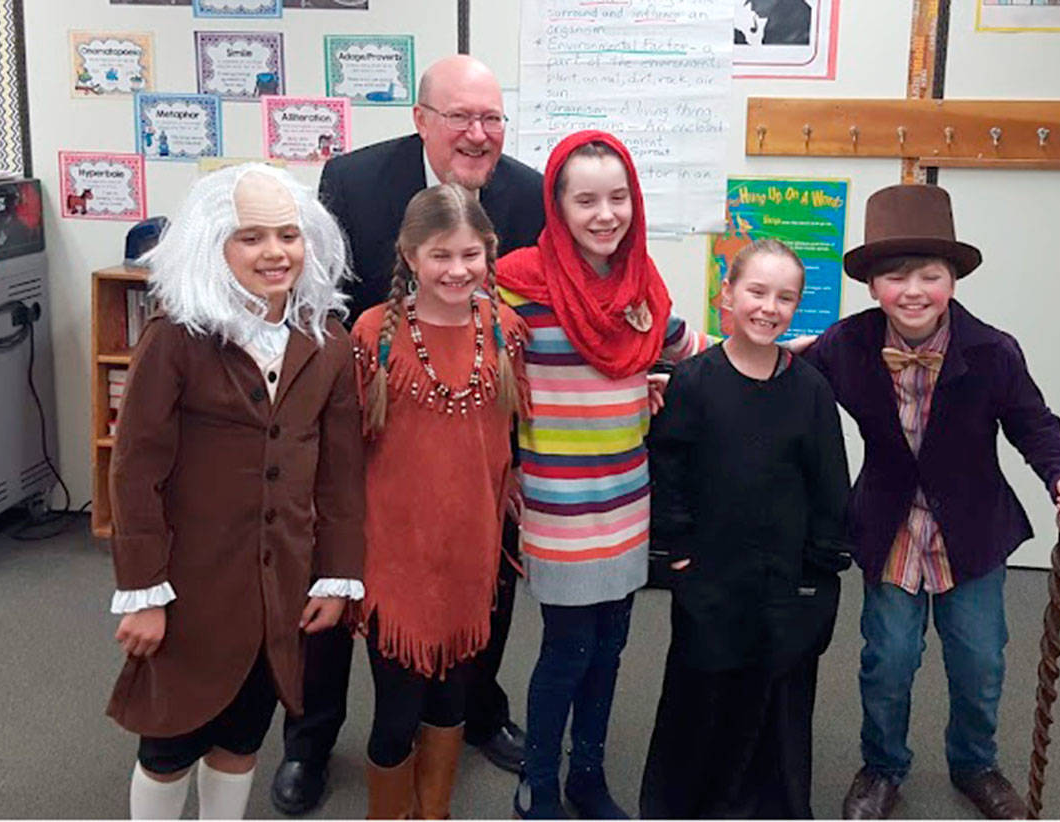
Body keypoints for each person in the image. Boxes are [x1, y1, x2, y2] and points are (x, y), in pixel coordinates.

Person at [272, 55, 544, 814]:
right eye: (460, 117)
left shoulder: (527, 193)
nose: (478, 134)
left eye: (491, 118)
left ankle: (478, 711)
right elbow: (318, 305)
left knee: (479, 593)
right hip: (375, 434)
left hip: (473, 451)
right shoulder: (354, 182)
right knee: (340, 591)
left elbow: (547, 307)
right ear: (422, 119)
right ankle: (311, 740)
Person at [800, 184, 1060, 820]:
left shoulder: (993, 352)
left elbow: (1035, 425)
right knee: (888, 660)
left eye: (930, 276)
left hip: (972, 528)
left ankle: (975, 764)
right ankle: (882, 766)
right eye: (895, 276)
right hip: (888, 524)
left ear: (953, 281)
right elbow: (788, 389)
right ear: (872, 286)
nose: (913, 291)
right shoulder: (844, 346)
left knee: (979, 660)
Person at [106, 164, 365, 820]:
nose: (274, 252)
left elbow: (340, 474)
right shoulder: (177, 337)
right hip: (189, 584)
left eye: (288, 235)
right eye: (251, 238)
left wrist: (335, 575)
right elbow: (134, 470)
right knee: (169, 743)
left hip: (280, 586)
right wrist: (144, 591)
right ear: (213, 245)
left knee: (242, 737)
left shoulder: (327, 342)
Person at [496, 130, 708, 819]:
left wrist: (785, 351)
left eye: (618, 197)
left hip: (625, 498)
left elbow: (693, 348)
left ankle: (586, 776)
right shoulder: (517, 287)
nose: (606, 214)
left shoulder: (639, 284)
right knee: (567, 649)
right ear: (557, 205)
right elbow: (478, 373)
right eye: (585, 200)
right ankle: (539, 783)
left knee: (611, 646)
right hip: (556, 502)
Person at [639, 240, 850, 819]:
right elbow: (670, 467)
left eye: (785, 298)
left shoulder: (810, 389)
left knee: (777, 697)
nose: (768, 308)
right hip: (710, 575)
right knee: (702, 694)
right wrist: (678, 549)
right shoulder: (694, 381)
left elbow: (830, 482)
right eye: (756, 292)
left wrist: (821, 567)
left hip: (784, 579)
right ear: (727, 294)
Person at [350, 183, 529, 819]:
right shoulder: (374, 334)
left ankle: (434, 811)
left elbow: (506, 435)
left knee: (452, 701)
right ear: (409, 255)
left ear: (490, 252)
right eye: (440, 256)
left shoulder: (505, 331)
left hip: (469, 558)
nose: (457, 270)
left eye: (470, 254)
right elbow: (346, 449)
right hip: (396, 559)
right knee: (396, 714)